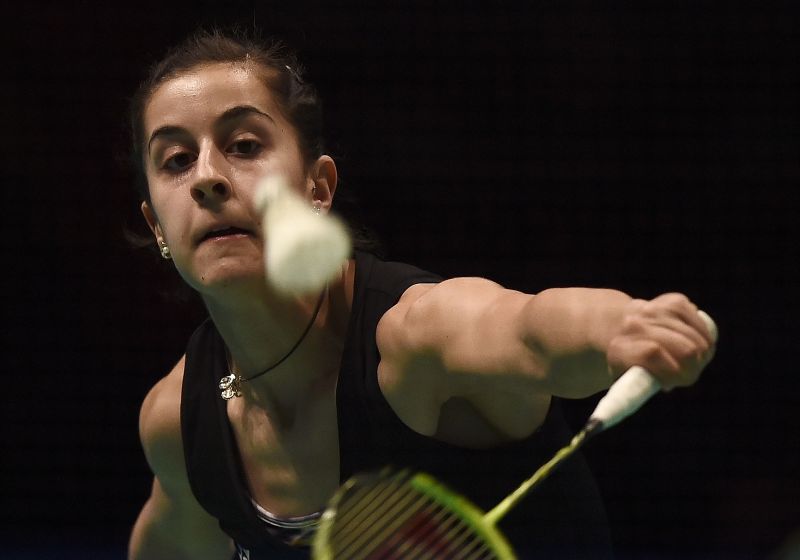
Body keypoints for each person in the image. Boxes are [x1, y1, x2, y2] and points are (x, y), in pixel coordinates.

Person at [127, 29, 716, 560]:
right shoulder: (178, 424)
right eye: (176, 159)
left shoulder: (413, 342)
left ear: (317, 188)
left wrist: (619, 328)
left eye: (245, 145)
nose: (206, 176)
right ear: (158, 228)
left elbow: (525, 328)